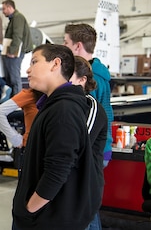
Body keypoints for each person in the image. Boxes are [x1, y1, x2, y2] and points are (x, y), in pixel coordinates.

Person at [12, 44, 101, 229]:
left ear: (55, 64)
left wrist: (29, 210)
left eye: (34, 62)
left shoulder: (64, 109)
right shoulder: (54, 105)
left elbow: (58, 168)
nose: (28, 69)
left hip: (49, 219)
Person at [64, 23, 114, 168]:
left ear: (77, 46)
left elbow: (85, 118)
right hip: (101, 146)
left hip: (90, 149)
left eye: (66, 42)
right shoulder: (100, 74)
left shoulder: (88, 78)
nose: (63, 45)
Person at [71, 56, 108, 230]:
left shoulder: (91, 106)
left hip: (86, 179)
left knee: (87, 219)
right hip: (74, 181)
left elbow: (78, 145)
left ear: (82, 79)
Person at [0, 88, 42, 176]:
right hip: (32, 149)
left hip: (53, 149)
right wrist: (15, 138)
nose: (28, 73)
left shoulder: (57, 94)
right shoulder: (29, 94)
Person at [1, 0, 33, 97]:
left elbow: (17, 35)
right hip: (15, 51)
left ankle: (17, 100)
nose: (3, 11)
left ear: (10, 7)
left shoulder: (18, 18)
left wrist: (12, 51)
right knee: (12, 75)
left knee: (14, 76)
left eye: (4, 9)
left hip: (16, 52)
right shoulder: (14, 18)